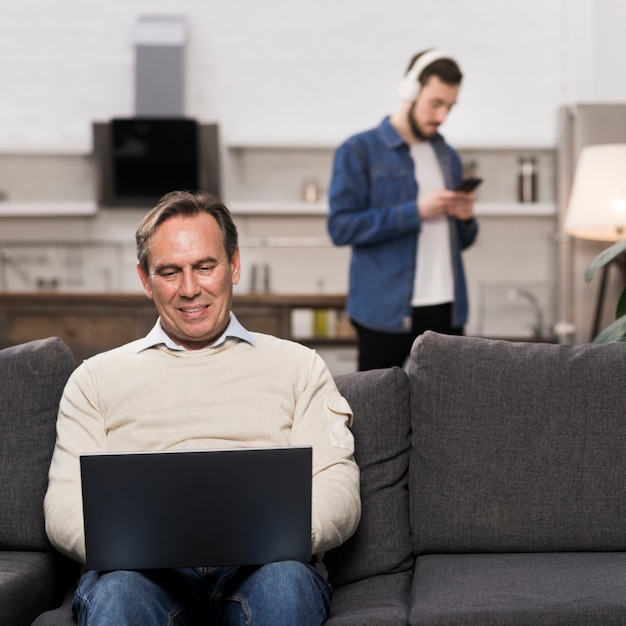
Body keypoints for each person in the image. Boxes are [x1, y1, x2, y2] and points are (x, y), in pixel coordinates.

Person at [44, 190, 361, 625]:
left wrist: (271, 536)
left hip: (266, 564)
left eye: (205, 267)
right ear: (145, 278)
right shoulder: (94, 379)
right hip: (140, 571)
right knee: (118, 593)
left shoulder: (298, 366)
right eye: (170, 272)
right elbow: (64, 503)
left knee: (286, 586)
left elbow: (337, 484)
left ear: (233, 265)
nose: (190, 289)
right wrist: (144, 544)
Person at [328, 48, 479, 371]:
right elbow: (340, 227)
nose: (441, 116)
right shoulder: (359, 150)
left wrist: (465, 220)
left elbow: (461, 241)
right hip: (385, 310)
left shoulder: (447, 155)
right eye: (435, 103)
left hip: (446, 306)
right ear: (410, 91)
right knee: (378, 410)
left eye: (449, 107)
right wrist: (416, 211)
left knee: (448, 413)